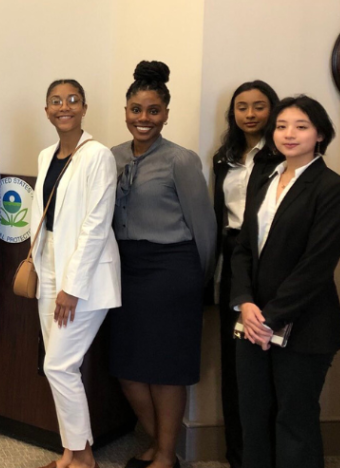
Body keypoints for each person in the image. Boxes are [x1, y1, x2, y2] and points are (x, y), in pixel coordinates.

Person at [231, 95, 340, 468]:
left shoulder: (334, 188)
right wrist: (246, 303)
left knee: (294, 421)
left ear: (320, 134)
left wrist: (271, 315)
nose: (289, 134)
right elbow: (243, 249)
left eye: (301, 126)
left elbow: (316, 266)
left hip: (304, 325)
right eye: (282, 126)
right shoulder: (264, 180)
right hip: (251, 322)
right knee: (253, 418)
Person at [108, 61, 216, 468]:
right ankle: (158, 442)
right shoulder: (110, 156)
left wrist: (199, 283)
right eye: (136, 109)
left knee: (166, 369)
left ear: (166, 114)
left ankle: (165, 456)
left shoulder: (180, 160)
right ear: (125, 111)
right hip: (124, 270)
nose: (144, 119)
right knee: (128, 368)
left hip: (172, 270)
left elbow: (203, 227)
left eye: (153, 111)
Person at [32, 79, 120, 468]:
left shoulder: (98, 155)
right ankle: (71, 451)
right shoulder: (46, 154)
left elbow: (96, 225)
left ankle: (83, 456)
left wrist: (72, 286)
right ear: (47, 110)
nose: (63, 106)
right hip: (49, 262)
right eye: (56, 101)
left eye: (72, 100)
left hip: (83, 273)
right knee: (59, 362)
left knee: (58, 364)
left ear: (84, 107)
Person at [210, 80, 282, 468]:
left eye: (259, 106)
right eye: (242, 107)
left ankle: (265, 455)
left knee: (263, 361)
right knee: (233, 362)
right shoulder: (224, 157)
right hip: (229, 254)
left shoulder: (282, 154)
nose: (250, 114)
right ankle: (238, 456)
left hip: (266, 258)